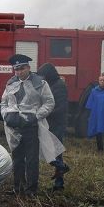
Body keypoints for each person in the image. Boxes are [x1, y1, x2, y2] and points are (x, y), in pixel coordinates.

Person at [0, 54, 57, 197]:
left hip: (31, 126)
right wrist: (6, 115)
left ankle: (31, 189)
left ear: (28, 68)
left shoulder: (40, 83)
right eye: (16, 69)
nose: (19, 72)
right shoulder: (11, 83)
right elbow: (3, 103)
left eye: (22, 68)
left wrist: (35, 116)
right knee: (17, 157)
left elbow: (49, 102)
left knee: (32, 158)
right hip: (14, 126)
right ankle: (17, 187)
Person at [37, 63, 71, 191]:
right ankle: (59, 181)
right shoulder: (51, 84)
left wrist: (43, 113)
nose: (42, 78)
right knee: (54, 152)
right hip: (50, 123)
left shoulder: (59, 86)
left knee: (53, 152)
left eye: (44, 75)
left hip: (57, 124)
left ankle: (60, 176)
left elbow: (60, 107)